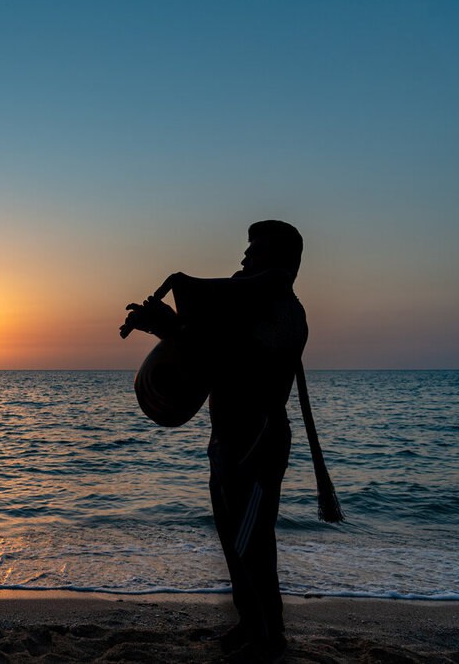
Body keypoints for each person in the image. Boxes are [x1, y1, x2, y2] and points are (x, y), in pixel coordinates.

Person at [121, 221, 308, 662]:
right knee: (234, 539)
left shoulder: (282, 311)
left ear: (282, 262)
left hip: (256, 444)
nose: (244, 258)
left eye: (255, 251)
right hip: (229, 442)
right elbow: (210, 353)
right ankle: (250, 624)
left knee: (252, 542)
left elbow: (237, 366)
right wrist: (169, 330)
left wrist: (173, 330)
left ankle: (269, 636)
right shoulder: (252, 306)